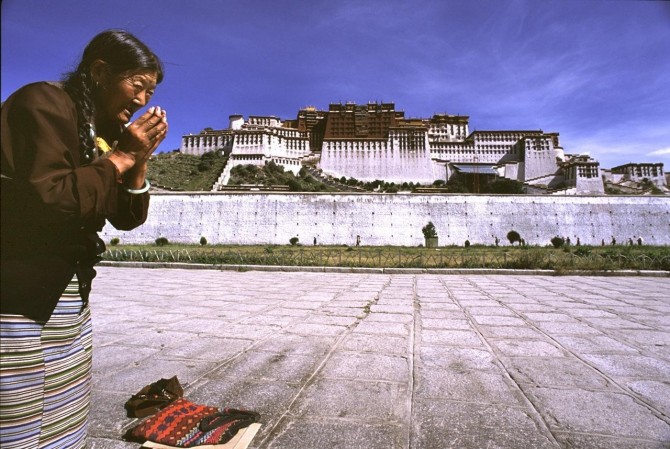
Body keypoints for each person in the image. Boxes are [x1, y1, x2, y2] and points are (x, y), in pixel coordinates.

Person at [1, 30, 167, 448]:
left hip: (67, 290)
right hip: (19, 289)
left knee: (62, 402)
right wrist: (122, 156)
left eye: (150, 91)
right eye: (137, 84)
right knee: (21, 405)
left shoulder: (102, 131)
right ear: (99, 72)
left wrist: (138, 161)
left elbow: (125, 217)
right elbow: (49, 198)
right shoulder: (43, 103)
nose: (142, 100)